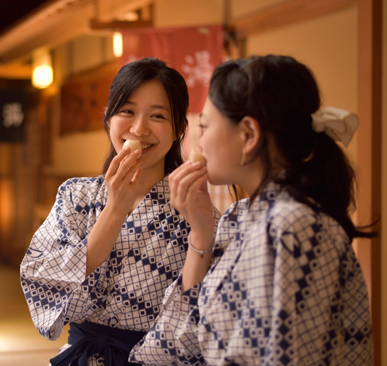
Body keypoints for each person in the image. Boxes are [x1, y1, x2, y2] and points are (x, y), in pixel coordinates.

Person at [130, 54, 374, 365]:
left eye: (204, 127)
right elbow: (181, 342)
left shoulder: (294, 225)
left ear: (248, 135)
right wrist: (201, 233)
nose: (197, 145)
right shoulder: (239, 217)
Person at [20, 57, 219, 366]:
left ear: (179, 128)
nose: (139, 129)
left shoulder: (193, 208)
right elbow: (41, 280)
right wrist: (114, 210)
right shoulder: (75, 196)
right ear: (108, 119)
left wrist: (201, 232)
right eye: (127, 111)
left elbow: (202, 311)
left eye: (158, 116)